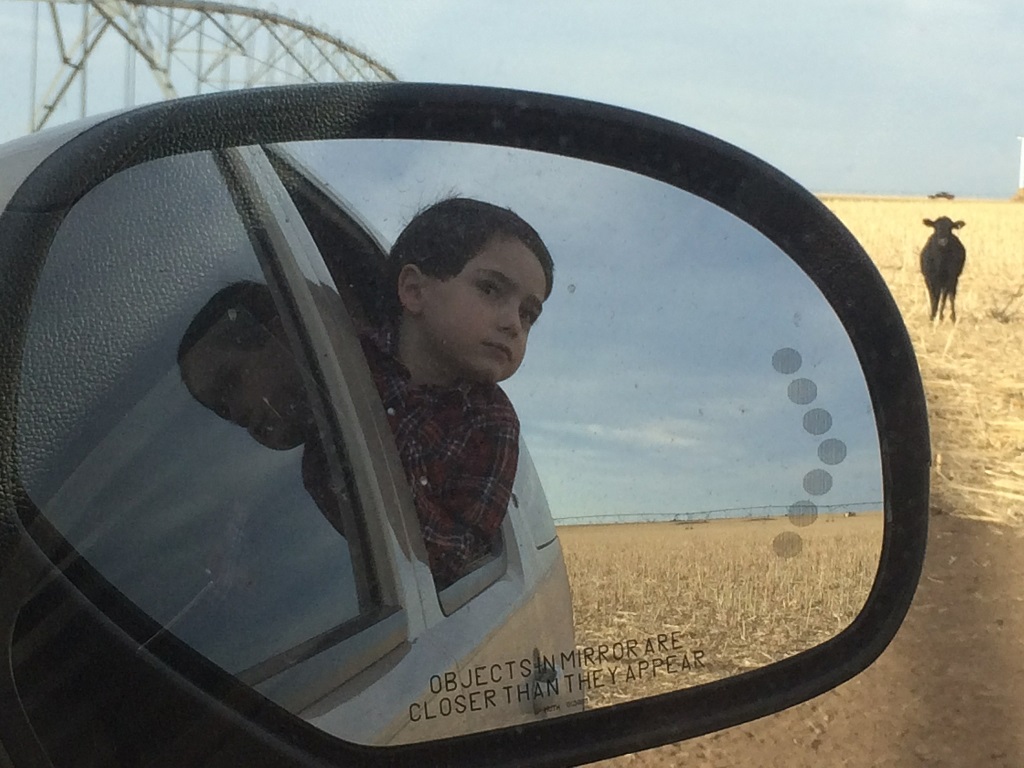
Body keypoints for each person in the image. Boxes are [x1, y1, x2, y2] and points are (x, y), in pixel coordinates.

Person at [362, 197, 554, 588]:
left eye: (528, 314)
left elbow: (447, 555)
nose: (514, 325)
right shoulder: (350, 356)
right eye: (490, 289)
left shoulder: (490, 422)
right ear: (414, 290)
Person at [176, 282, 342, 527]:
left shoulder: (393, 372)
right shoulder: (322, 475)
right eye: (222, 410)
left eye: (230, 382)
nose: (236, 414)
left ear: (281, 332)